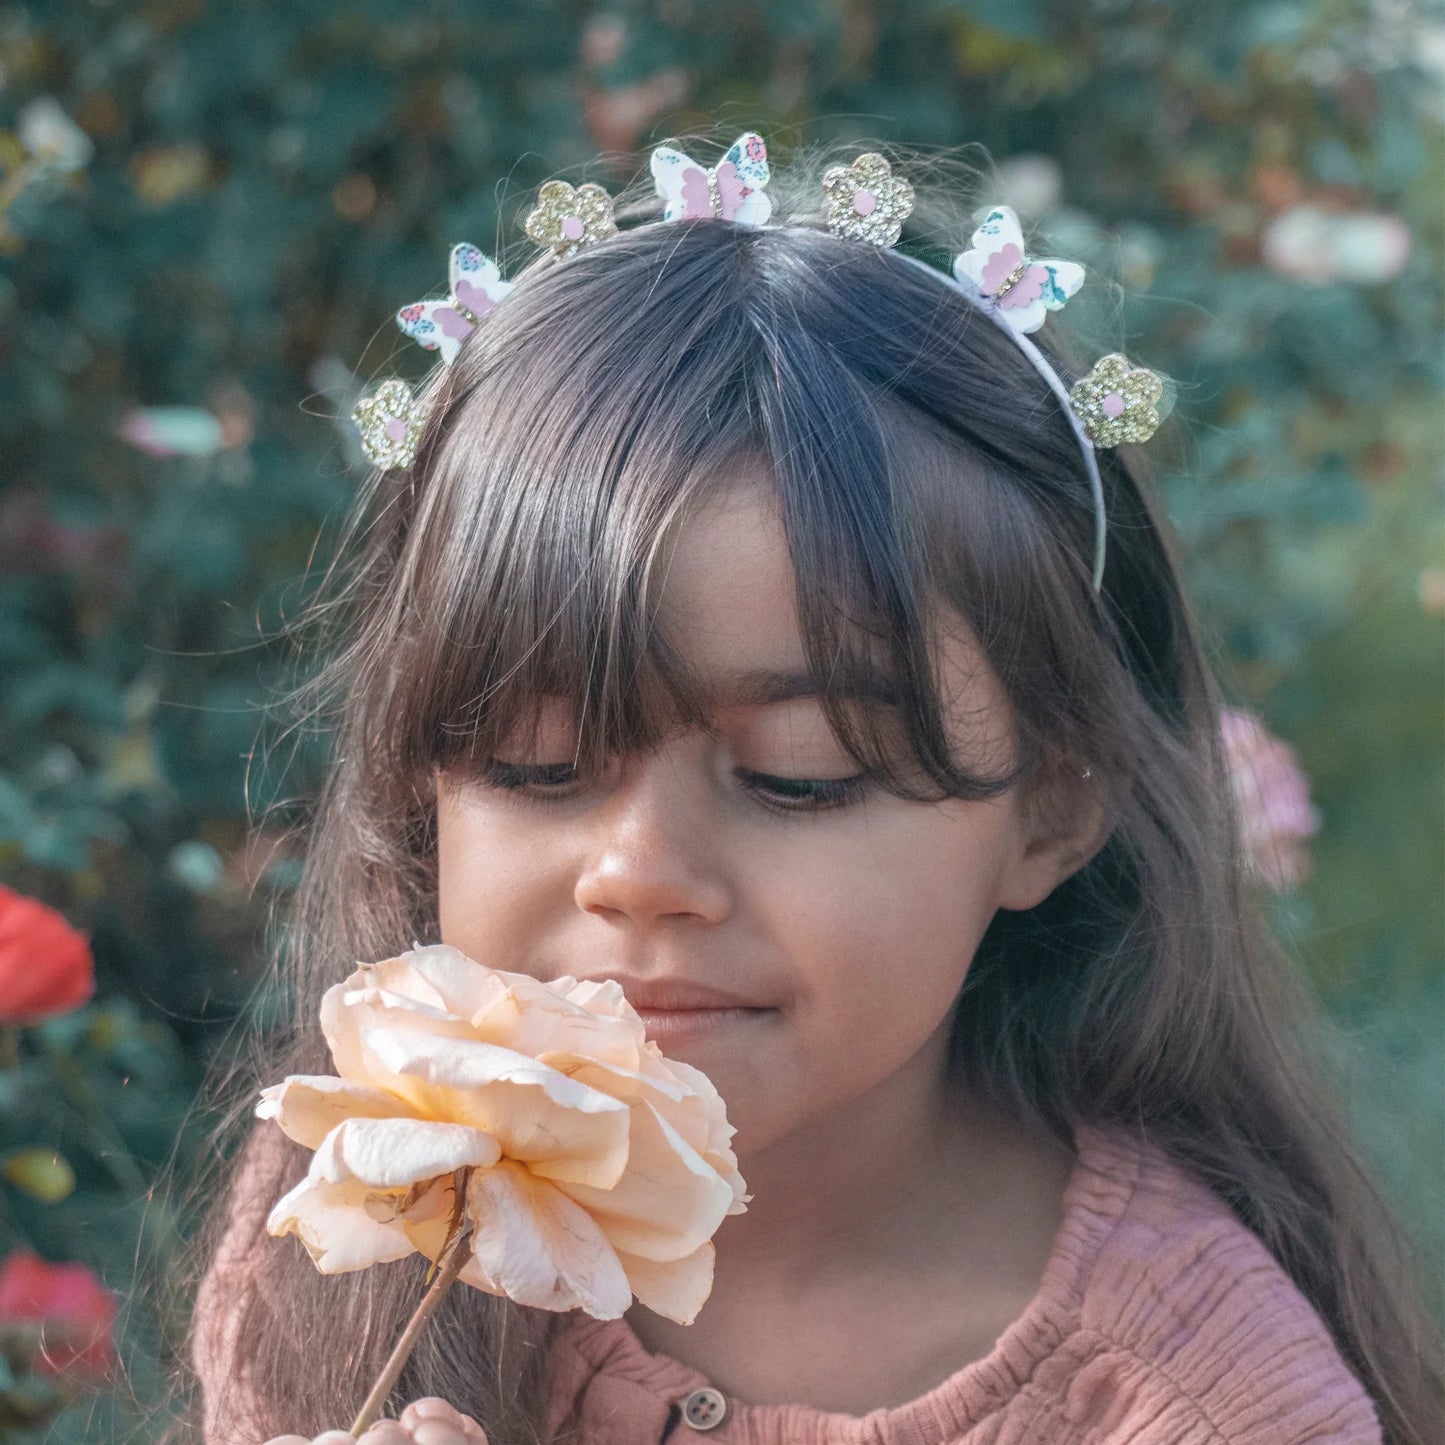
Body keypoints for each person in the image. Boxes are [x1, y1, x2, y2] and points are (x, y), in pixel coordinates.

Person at [172, 134, 1442, 1445]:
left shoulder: (1195, 1396)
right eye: (538, 766)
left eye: (800, 775)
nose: (640, 869)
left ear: (1052, 806)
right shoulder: (368, 1213)